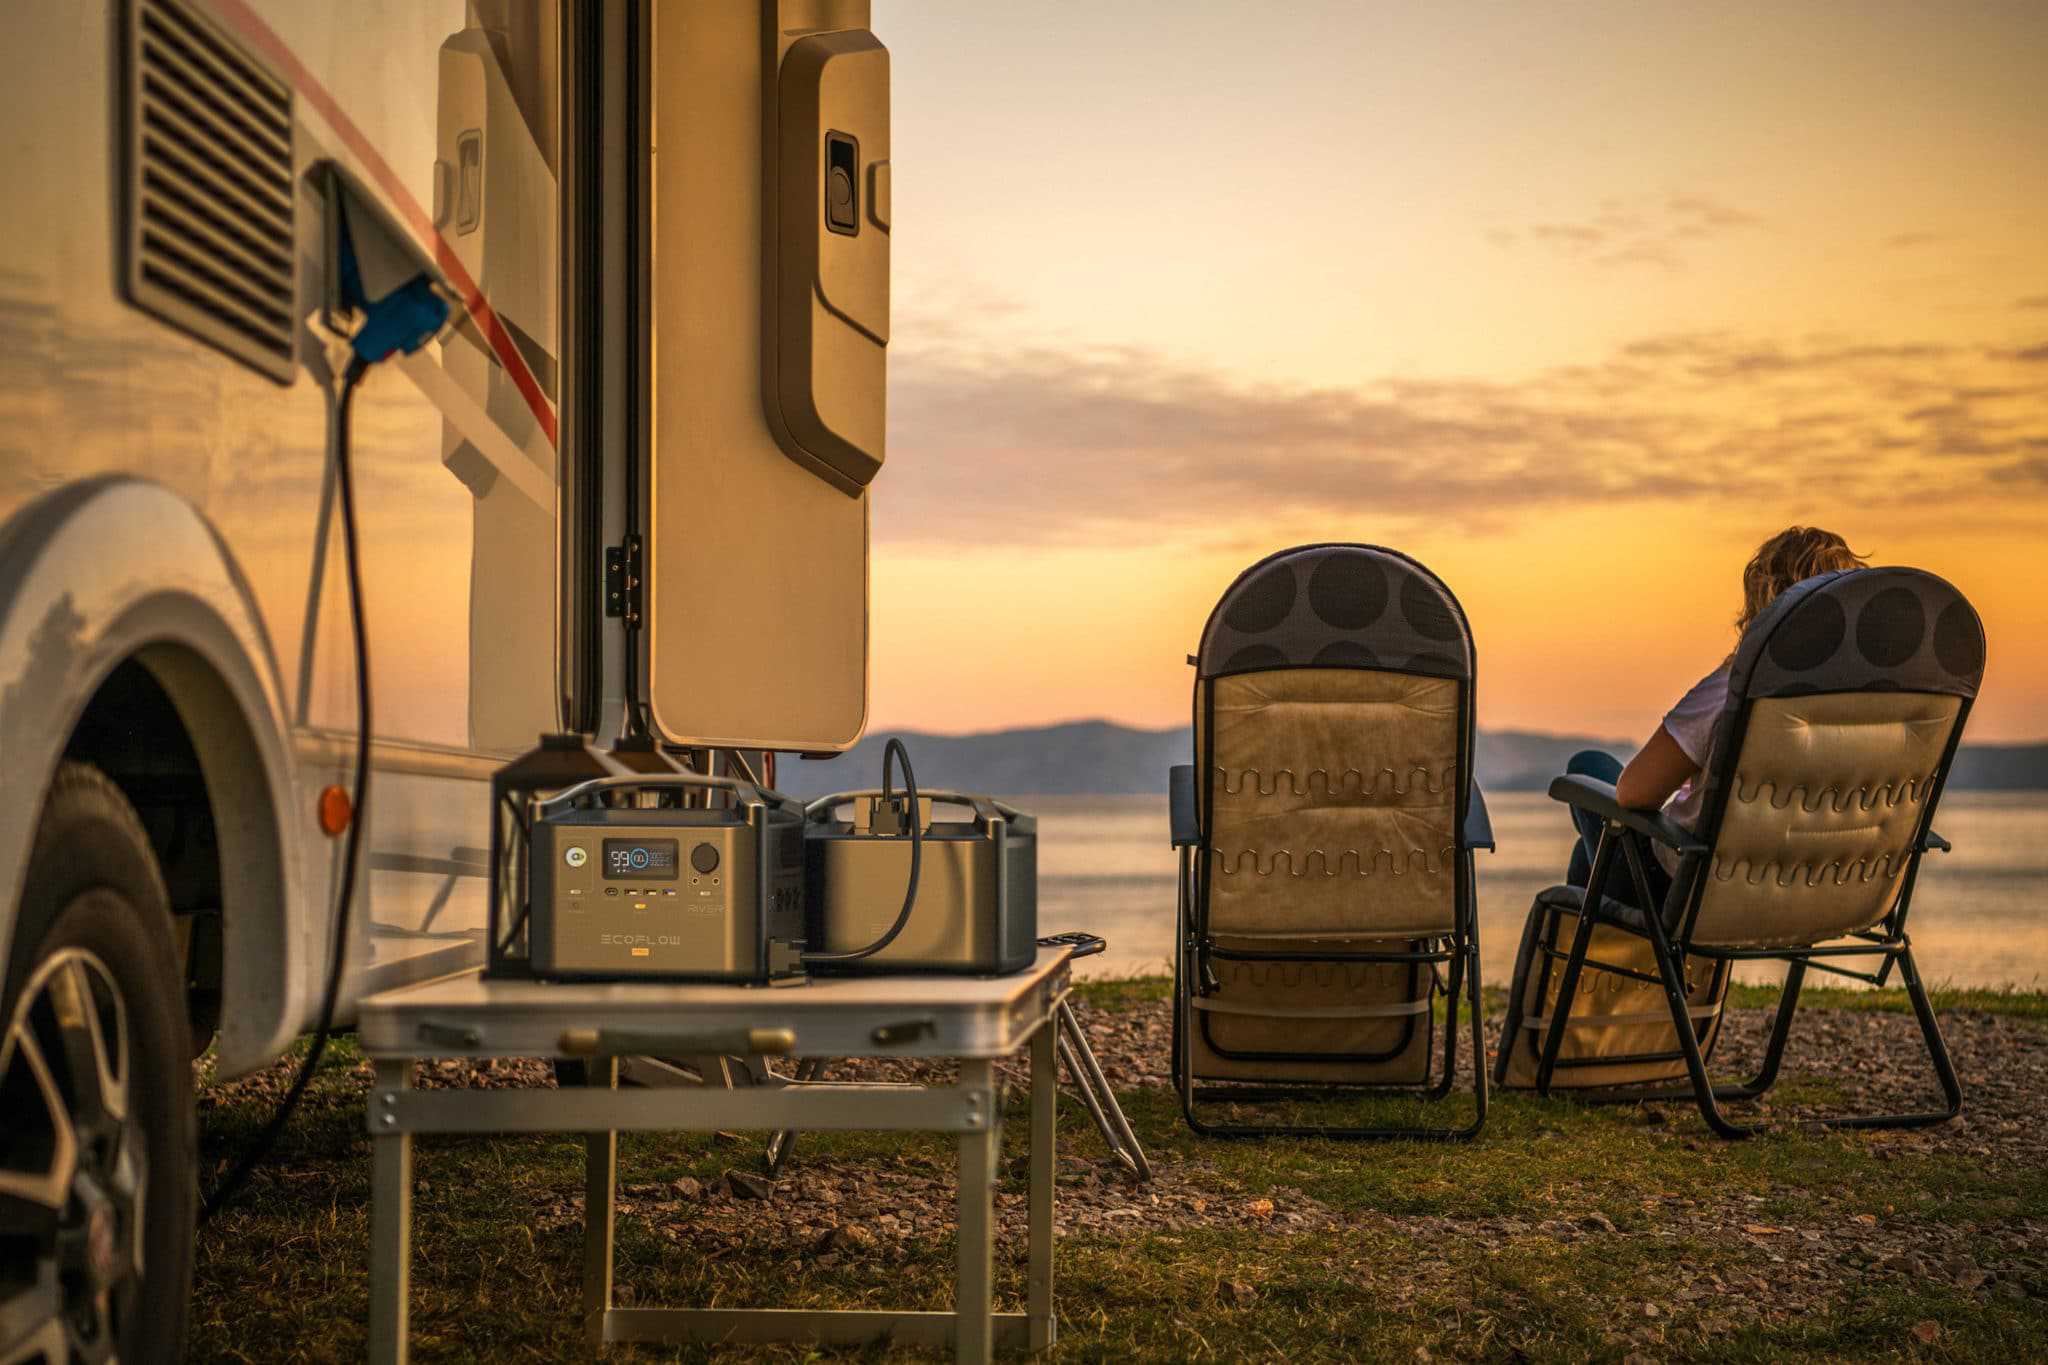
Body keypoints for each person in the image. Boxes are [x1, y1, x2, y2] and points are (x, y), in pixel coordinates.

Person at [1562, 526, 1869, 906]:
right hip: (1809, 891)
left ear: (1764, 604)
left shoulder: (1735, 689)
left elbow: (1633, 792)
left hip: (1690, 894)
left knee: (1588, 767)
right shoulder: (1869, 709)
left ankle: (1603, 962)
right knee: (1588, 856)